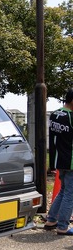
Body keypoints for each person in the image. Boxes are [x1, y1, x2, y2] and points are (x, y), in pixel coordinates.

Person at [45, 88, 73, 235]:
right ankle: (62, 226)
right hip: (71, 160)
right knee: (70, 193)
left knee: (63, 190)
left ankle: (51, 219)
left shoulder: (55, 114)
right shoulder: (70, 116)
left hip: (59, 159)